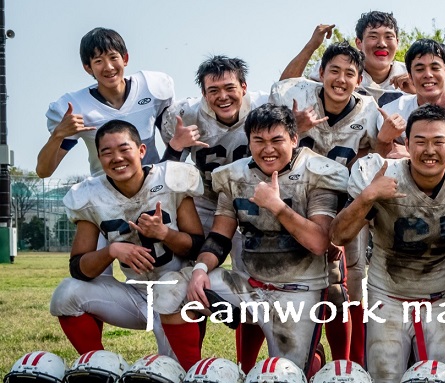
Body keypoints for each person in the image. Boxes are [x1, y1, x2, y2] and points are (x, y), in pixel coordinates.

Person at [155, 104, 350, 377]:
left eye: (276, 140)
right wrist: (200, 270)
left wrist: (278, 207)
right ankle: (191, 372)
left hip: (299, 290)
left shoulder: (319, 171)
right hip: (250, 286)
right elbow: (219, 237)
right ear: (249, 142)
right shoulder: (234, 176)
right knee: (171, 288)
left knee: (285, 375)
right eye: (259, 141)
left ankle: (313, 358)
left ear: (294, 139)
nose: (267, 149)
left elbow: (319, 242)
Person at [329, 104, 445, 383]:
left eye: (438, 141)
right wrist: (367, 197)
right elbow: (338, 236)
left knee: (441, 377)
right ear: (406, 144)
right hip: (387, 294)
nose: (429, 150)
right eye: (419, 141)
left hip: (439, 296)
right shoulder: (380, 172)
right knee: (385, 377)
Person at [271, 41, 401, 364]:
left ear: (359, 80)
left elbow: (377, 160)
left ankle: (348, 363)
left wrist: (384, 141)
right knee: (288, 283)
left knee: (345, 288)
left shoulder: (369, 109)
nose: (341, 79)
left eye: (350, 73)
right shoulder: (298, 96)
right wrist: (295, 131)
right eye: (334, 71)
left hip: (344, 209)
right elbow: (271, 149)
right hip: (297, 203)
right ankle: (306, 354)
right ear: (321, 73)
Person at [49, 120, 205, 370]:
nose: (116, 158)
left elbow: (197, 247)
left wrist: (165, 233)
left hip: (177, 292)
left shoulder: (171, 179)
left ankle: (191, 370)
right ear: (98, 157)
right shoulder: (89, 195)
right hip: (136, 294)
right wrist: (111, 250)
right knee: (66, 294)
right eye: (107, 152)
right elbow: (78, 267)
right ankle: (99, 368)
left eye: (124, 149)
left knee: (174, 370)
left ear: (141, 151)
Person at [158, 55, 270, 372]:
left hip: (254, 200)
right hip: (208, 199)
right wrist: (177, 146)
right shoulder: (187, 113)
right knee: (185, 276)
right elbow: (167, 170)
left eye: (229, 87)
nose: (222, 96)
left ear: (244, 87)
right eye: (213, 90)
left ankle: (248, 364)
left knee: (255, 282)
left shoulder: (263, 106)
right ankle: (181, 362)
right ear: (203, 94)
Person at [38, 27, 174, 178]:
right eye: (98, 61)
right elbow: (43, 171)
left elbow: (174, 141)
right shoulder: (75, 106)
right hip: (107, 194)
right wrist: (58, 134)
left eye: (113, 57)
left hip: (151, 186)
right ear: (88, 68)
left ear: (125, 58)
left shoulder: (152, 87)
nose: (108, 67)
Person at [281, 12, 413, 106]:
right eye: (373, 36)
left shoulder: (412, 74)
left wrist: (418, 91)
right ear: (359, 43)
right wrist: (311, 46)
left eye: (388, 37)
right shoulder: (338, 68)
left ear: (397, 42)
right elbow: (284, 89)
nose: (382, 43)